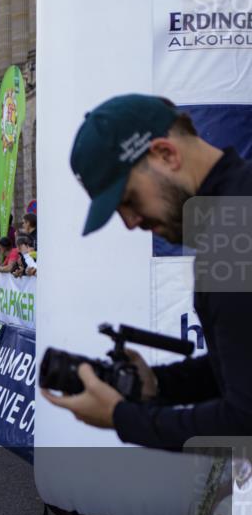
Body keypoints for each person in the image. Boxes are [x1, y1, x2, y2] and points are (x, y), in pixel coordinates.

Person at [43, 93, 252, 449]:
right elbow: (239, 370)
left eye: (129, 200)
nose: (130, 222)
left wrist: (122, 418)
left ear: (166, 154)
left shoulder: (233, 234)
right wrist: (157, 383)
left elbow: (243, 422)